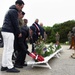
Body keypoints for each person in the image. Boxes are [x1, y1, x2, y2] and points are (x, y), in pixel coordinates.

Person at [1, 0, 24, 73]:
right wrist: (18, 32)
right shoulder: (14, 11)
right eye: (21, 7)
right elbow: (15, 23)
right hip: (9, 31)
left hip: (5, 30)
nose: (21, 9)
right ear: (17, 5)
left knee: (6, 49)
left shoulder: (10, 10)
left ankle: (4, 65)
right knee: (10, 49)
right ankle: (10, 67)